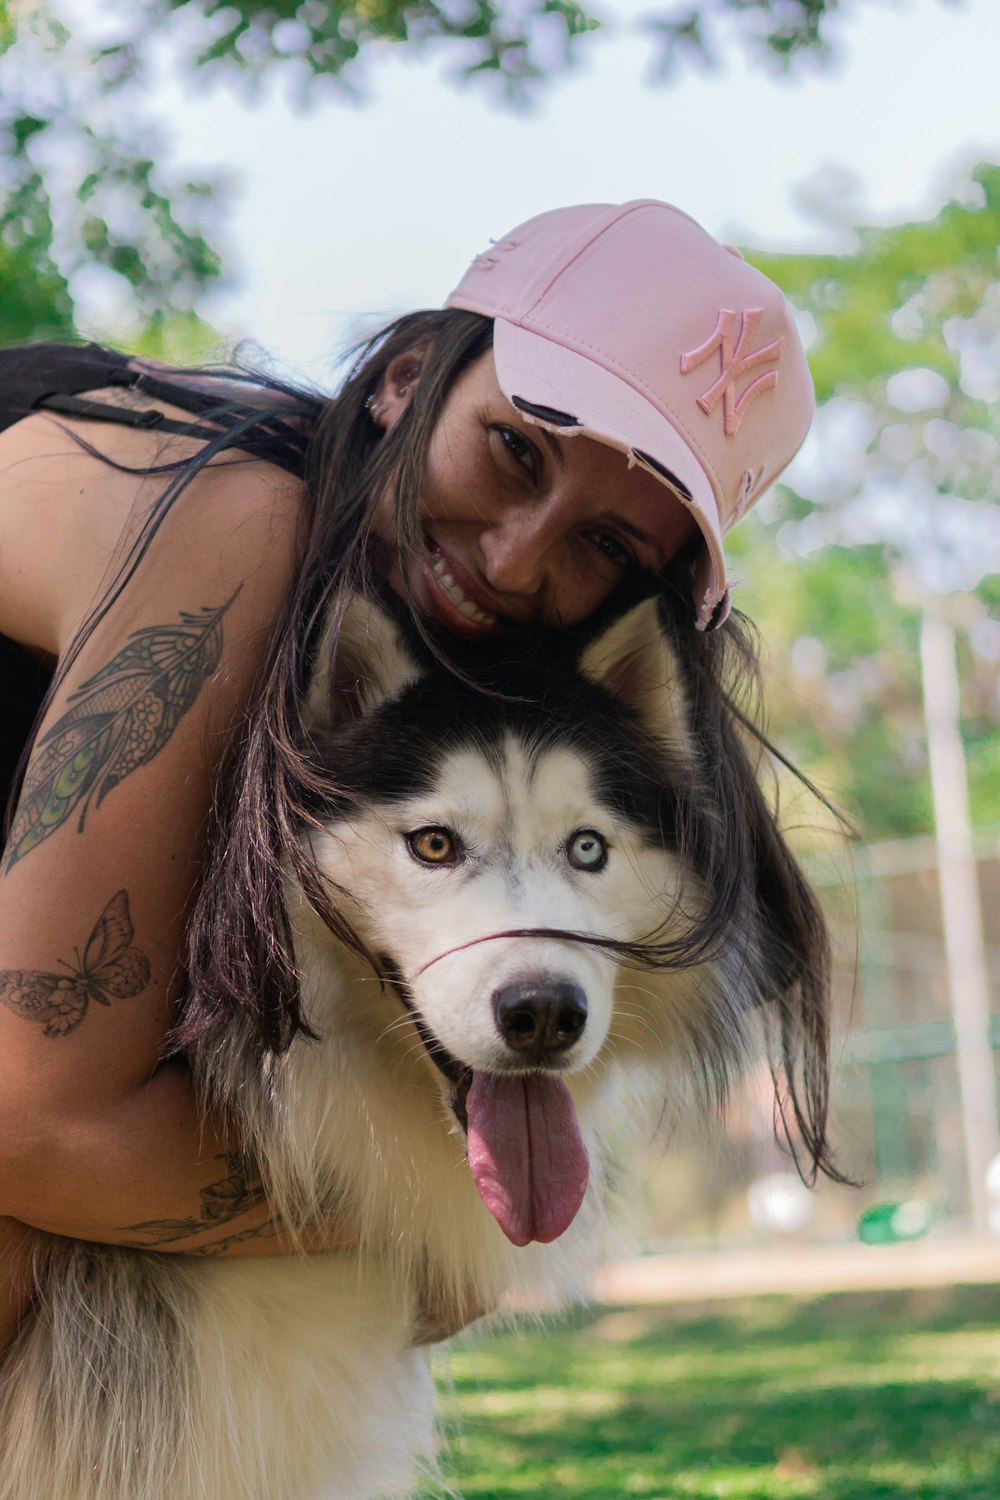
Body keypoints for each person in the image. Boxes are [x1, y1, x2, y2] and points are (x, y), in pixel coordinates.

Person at [0, 199, 822, 1354]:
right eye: (513, 450)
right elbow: (34, 1133)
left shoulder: (453, 661)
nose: (513, 557)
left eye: (604, 545)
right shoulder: (234, 530)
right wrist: (436, 1235)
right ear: (407, 376)